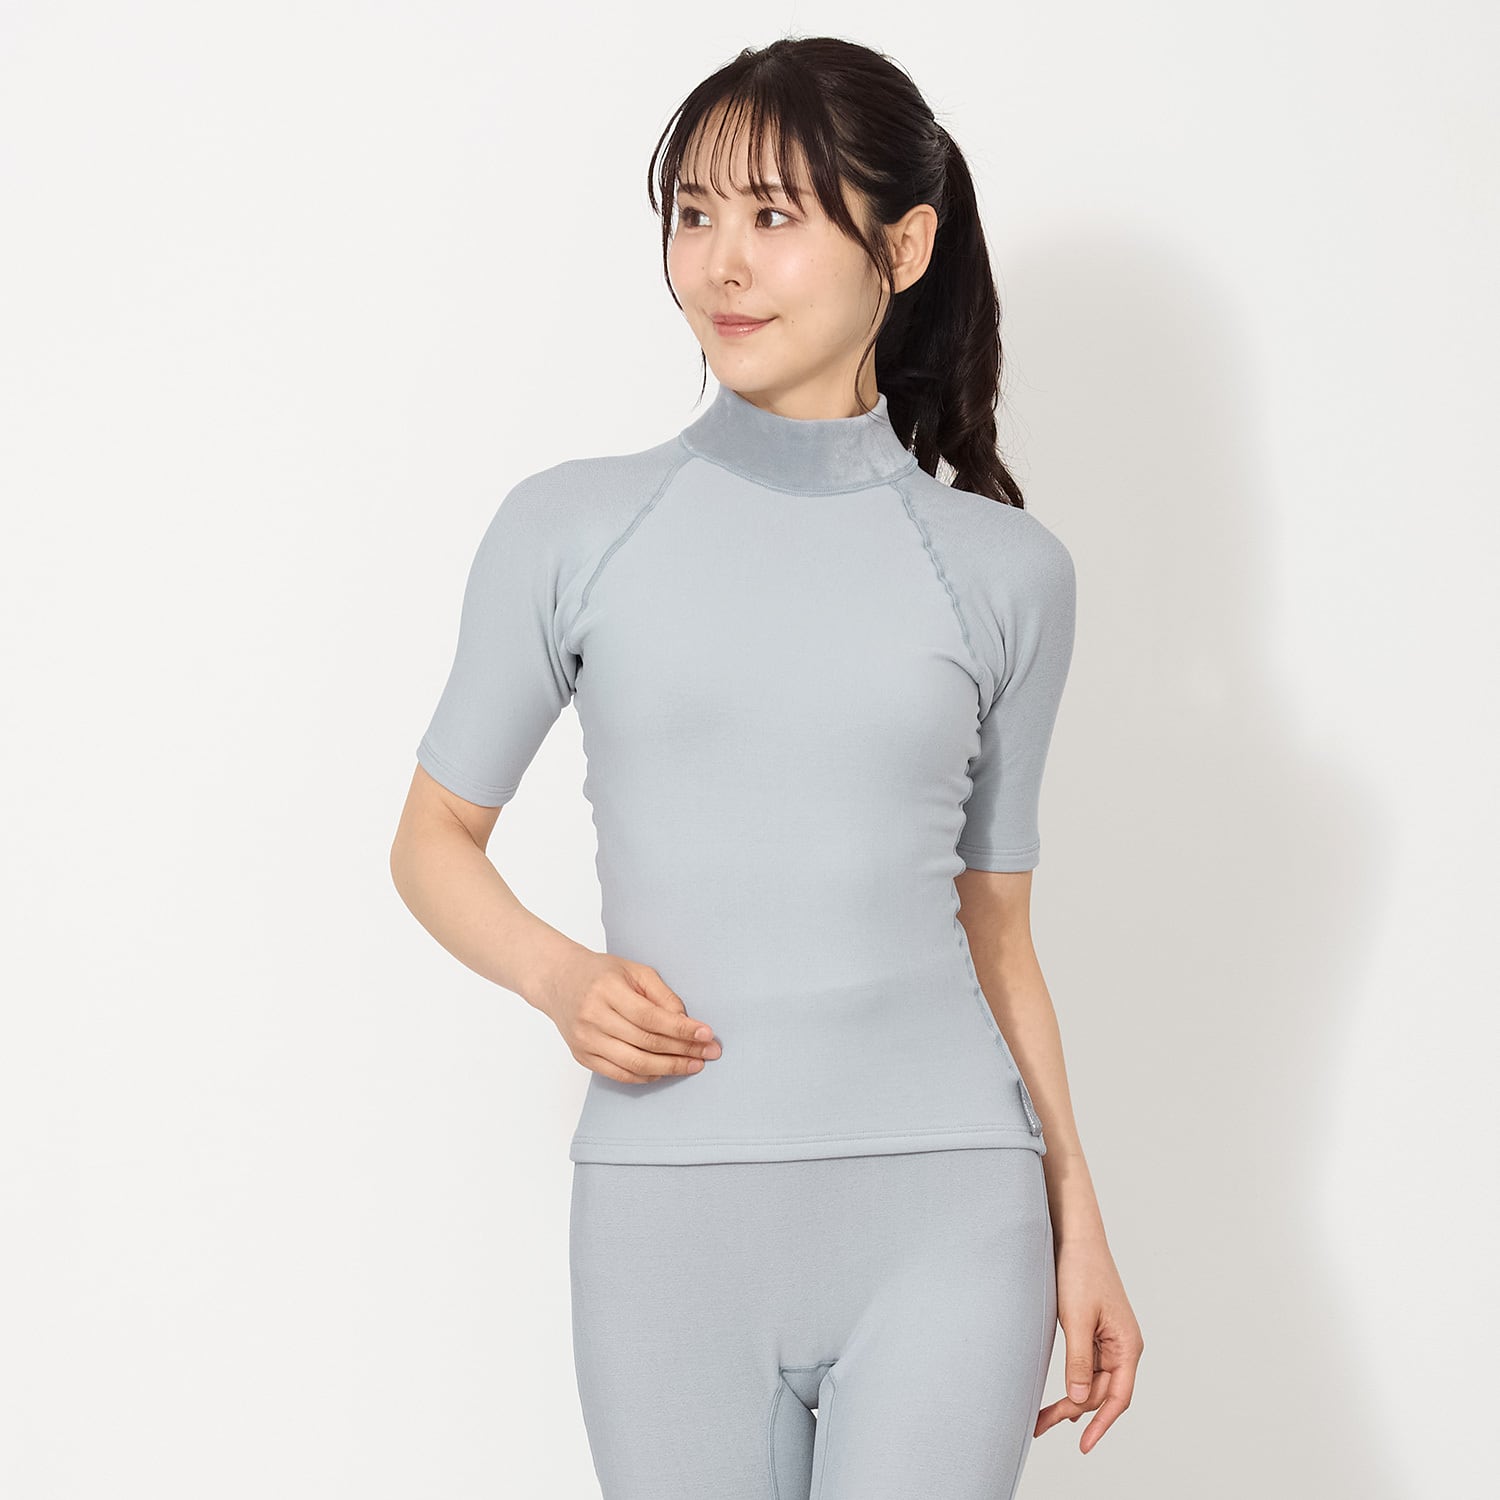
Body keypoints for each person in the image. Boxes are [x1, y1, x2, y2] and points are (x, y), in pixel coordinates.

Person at [390, 34, 1143, 1500]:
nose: (721, 262)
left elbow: (998, 928)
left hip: (949, 1212)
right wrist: (558, 977)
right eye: (694, 213)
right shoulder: (571, 530)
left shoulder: (1008, 574)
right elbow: (431, 838)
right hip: (668, 1219)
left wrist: (1080, 1218)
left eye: (775, 214)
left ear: (903, 247)